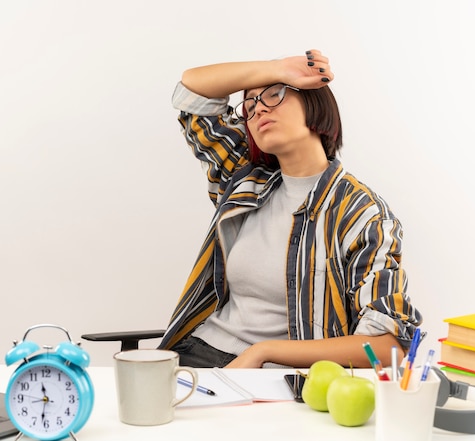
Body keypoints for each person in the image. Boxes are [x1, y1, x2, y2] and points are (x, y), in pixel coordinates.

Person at [157, 49, 422, 369]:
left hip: (271, 374)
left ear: (314, 103)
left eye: (275, 94)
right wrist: (277, 69)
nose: (258, 110)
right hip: (195, 351)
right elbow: (191, 92)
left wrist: (263, 352)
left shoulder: (361, 214)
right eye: (250, 105)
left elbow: (389, 346)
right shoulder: (243, 180)